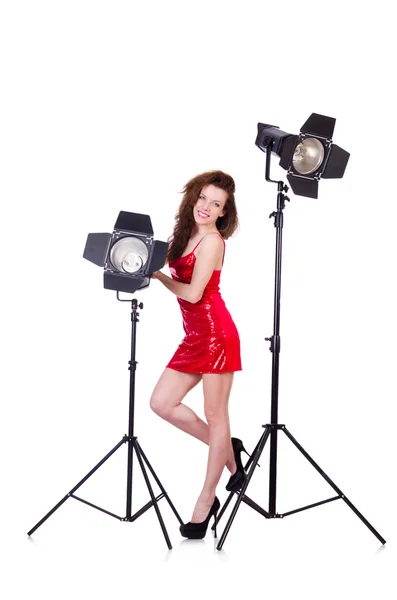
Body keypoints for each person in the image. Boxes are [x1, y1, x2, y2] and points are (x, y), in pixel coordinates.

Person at [150, 170, 248, 539]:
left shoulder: (212, 242)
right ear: (194, 197)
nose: (206, 207)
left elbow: (192, 294)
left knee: (214, 413)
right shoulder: (186, 233)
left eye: (216, 204)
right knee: (161, 403)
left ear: (224, 212)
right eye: (203, 198)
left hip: (217, 335)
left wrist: (160, 278)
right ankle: (229, 451)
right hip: (194, 336)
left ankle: (206, 501)